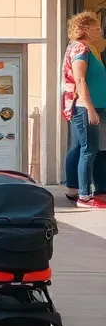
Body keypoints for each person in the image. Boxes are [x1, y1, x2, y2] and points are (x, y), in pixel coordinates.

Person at [62, 11, 106, 207]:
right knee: (89, 150)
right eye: (96, 28)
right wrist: (90, 108)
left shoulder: (87, 47)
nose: (100, 31)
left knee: (80, 147)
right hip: (84, 106)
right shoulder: (81, 49)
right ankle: (84, 195)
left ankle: (74, 189)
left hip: (87, 105)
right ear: (85, 29)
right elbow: (80, 79)